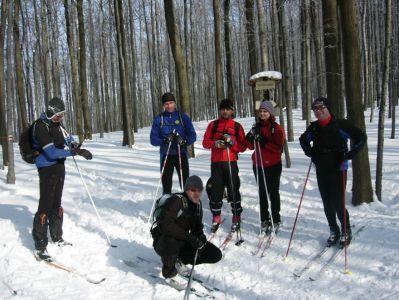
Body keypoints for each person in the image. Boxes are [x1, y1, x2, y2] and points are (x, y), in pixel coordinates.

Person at [299, 97, 366, 247]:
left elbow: (361, 137)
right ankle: (333, 230)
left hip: (338, 169)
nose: (319, 112)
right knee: (327, 203)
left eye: (322, 108)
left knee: (338, 202)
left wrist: (349, 155)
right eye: (315, 109)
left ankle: (345, 230)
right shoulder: (315, 127)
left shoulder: (340, 124)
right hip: (322, 169)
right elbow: (303, 140)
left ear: (328, 109)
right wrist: (310, 152)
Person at [31, 97, 93, 260]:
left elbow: (67, 138)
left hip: (59, 167)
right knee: (45, 204)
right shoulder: (40, 127)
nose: (60, 118)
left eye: (62, 115)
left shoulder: (58, 125)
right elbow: (51, 152)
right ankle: (40, 246)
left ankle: (57, 236)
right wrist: (73, 152)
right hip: (46, 168)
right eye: (58, 115)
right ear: (51, 112)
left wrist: (74, 145)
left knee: (56, 203)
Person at [151, 175, 222, 290]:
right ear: (186, 190)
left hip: (181, 242)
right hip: (163, 243)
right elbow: (166, 226)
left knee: (215, 254)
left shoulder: (197, 206)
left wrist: (200, 237)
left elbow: (197, 227)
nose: (196, 193)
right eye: (193, 190)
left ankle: (178, 262)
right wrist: (190, 238)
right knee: (171, 239)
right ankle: (170, 274)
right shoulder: (176, 201)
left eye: (199, 190)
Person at [202, 99, 247, 233]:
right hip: (216, 163)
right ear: (220, 110)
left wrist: (232, 142)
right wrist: (215, 143)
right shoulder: (213, 125)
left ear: (232, 110)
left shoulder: (237, 126)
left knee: (233, 189)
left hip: (231, 162)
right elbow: (205, 142)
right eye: (223, 109)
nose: (225, 111)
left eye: (228, 109)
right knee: (216, 191)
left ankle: (236, 216)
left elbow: (243, 147)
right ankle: (216, 217)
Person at [245, 100, 285, 234]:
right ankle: (264, 219)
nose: (262, 114)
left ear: (270, 113)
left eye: (265, 111)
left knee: (273, 193)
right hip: (258, 164)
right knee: (262, 193)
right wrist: (250, 137)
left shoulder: (277, 128)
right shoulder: (255, 127)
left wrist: (264, 142)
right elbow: (250, 146)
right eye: (261, 111)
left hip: (273, 165)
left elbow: (279, 148)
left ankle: (276, 219)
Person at [150, 92, 197, 194]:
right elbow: (153, 140)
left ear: (175, 103)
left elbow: (193, 135)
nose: (169, 106)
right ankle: (167, 205)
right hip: (166, 155)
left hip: (181, 153)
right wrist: (164, 141)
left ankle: (188, 205)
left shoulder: (183, 117)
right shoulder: (159, 119)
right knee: (166, 185)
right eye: (166, 103)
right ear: (163, 105)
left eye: (171, 103)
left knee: (185, 184)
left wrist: (184, 142)